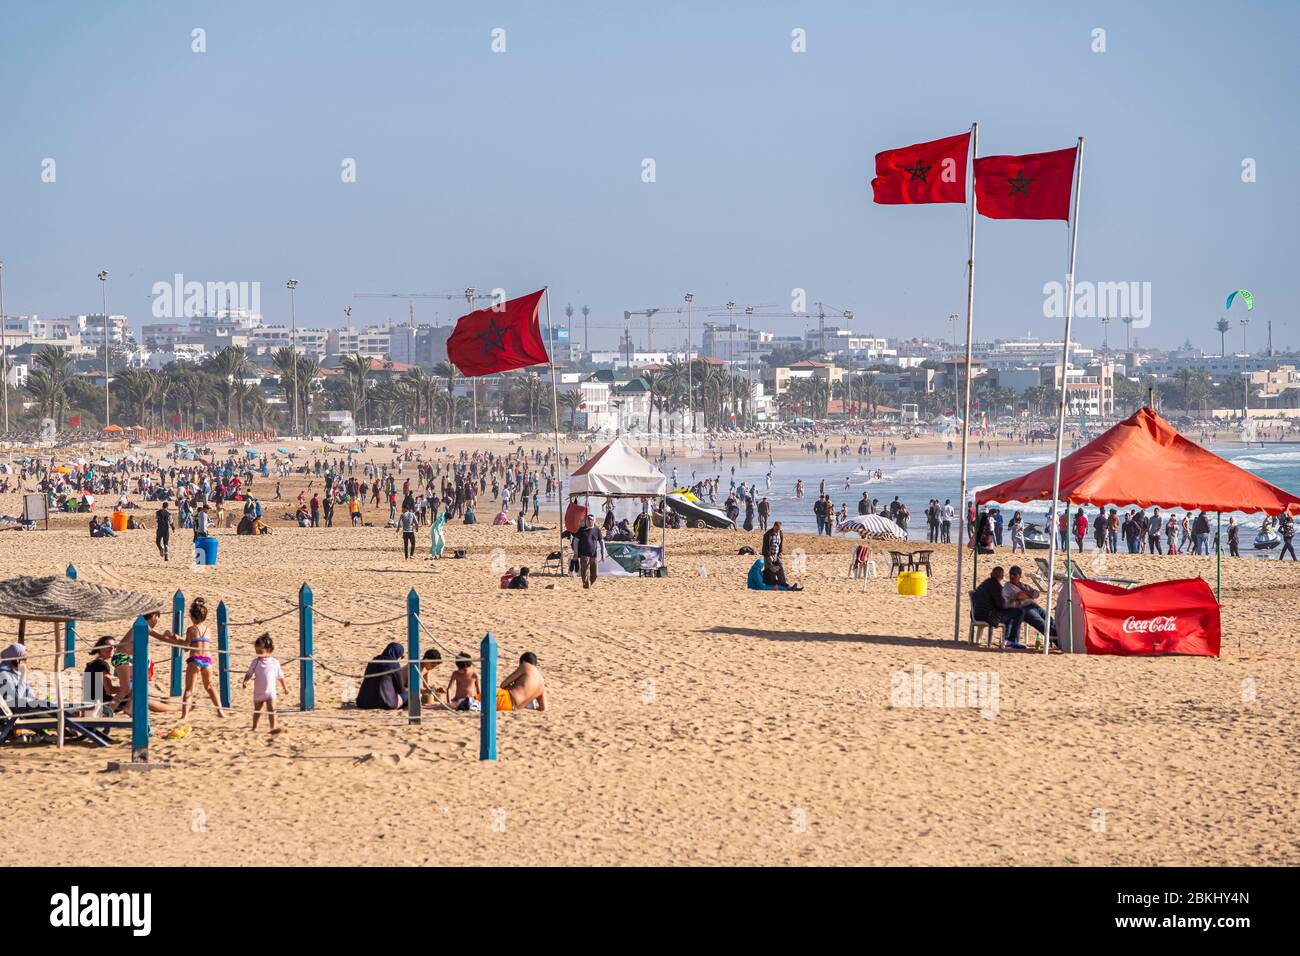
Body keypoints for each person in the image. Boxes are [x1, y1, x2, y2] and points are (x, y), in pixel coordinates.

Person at [180, 597, 226, 718]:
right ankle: (220, 711)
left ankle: (184, 715)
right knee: (210, 686)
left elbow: (186, 647)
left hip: (195, 660)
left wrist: (177, 640)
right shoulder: (208, 630)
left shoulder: (191, 629)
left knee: (189, 689)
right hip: (207, 661)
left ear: (192, 616)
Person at [241, 633, 288, 732]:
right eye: (256, 651)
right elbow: (249, 673)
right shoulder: (256, 662)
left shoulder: (275, 662)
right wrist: (245, 680)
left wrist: (285, 688)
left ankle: (273, 727)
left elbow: (280, 676)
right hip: (259, 692)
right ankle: (254, 727)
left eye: (260, 651)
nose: (258, 653)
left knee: (272, 710)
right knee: (257, 710)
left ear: (269, 650)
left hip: (270, 691)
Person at [972, 566, 1026, 649]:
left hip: (976, 614)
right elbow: (1000, 604)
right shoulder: (995, 585)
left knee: (1010, 614)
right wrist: (1011, 603)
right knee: (1019, 612)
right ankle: (1010, 641)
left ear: (991, 574)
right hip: (988, 616)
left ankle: (1006, 640)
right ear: (1002, 577)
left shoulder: (985, 584)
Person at [1003, 566, 1057, 645]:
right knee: (1041, 623)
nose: (1012, 576)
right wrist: (1030, 594)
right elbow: (1019, 596)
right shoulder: (1008, 586)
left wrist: (1027, 594)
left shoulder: (1023, 585)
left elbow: (1037, 593)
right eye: (1011, 574)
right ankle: (1058, 641)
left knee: (1050, 619)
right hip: (1022, 608)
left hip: (1033, 606)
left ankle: (1061, 636)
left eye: (1014, 574)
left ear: (1020, 575)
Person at [356, 642, 408, 710]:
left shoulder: (372, 662)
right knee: (408, 695)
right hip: (386, 703)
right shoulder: (394, 665)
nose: (400, 659)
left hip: (363, 702)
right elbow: (401, 689)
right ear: (397, 654)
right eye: (401, 657)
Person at [574, 514, 604, 590]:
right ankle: (586, 584)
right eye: (588, 519)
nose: (589, 521)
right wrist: (576, 553)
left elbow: (601, 541)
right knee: (584, 572)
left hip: (594, 555)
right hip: (584, 554)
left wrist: (603, 554)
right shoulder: (581, 529)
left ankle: (588, 583)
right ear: (586, 520)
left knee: (595, 574)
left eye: (591, 519)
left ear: (594, 520)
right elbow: (575, 541)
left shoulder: (597, 529)